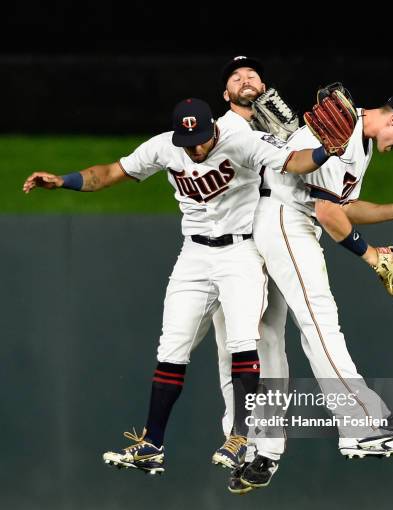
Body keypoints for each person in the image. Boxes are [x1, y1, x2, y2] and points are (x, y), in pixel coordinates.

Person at [22, 97, 333, 475]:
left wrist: (324, 150)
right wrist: (62, 181)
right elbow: (109, 173)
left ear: (212, 128)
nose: (196, 148)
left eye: (201, 139)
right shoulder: (165, 146)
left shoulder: (240, 141)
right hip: (194, 254)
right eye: (188, 141)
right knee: (172, 346)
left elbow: (292, 162)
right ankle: (152, 444)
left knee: (242, 342)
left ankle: (240, 438)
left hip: (241, 252)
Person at [208, 58, 393, 493]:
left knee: (267, 335)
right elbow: (328, 211)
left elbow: (344, 206)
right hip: (281, 218)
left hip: (285, 219)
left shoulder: (359, 142)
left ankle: (265, 449)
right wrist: (371, 256)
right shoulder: (345, 125)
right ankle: (360, 426)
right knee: (318, 320)